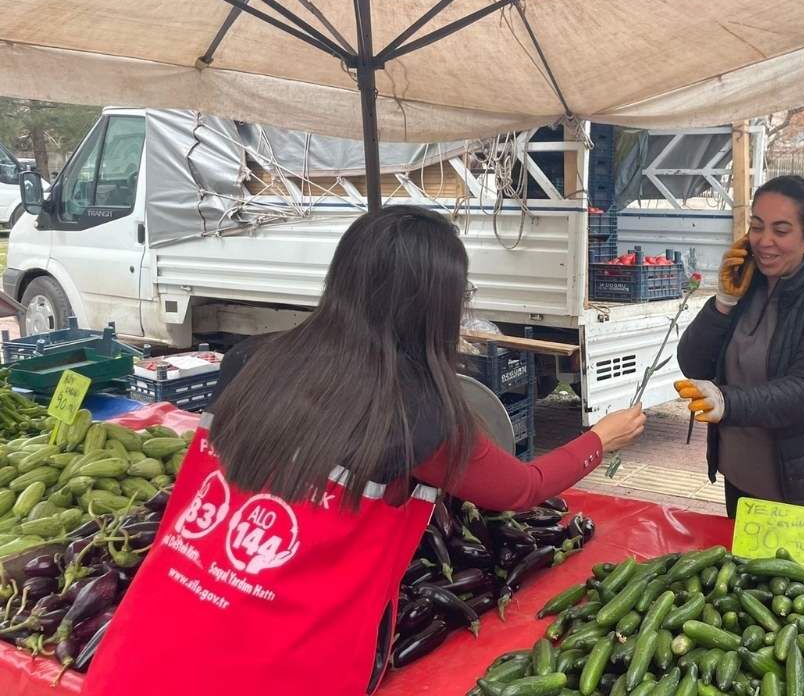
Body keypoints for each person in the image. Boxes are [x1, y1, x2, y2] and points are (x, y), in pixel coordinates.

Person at [83, 206, 646, 696]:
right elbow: (522, 489)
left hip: (144, 643)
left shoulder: (251, 360)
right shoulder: (423, 414)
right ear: (440, 304)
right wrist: (604, 437)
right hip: (273, 671)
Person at [674, 174, 804, 531]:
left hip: (801, 486)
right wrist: (724, 302)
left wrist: (728, 402)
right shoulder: (749, 282)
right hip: (742, 477)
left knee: (787, 584)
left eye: (781, 230)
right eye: (757, 227)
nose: (764, 242)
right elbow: (694, 362)